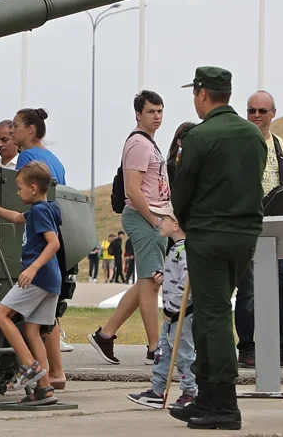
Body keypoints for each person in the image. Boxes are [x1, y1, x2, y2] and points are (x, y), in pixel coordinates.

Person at [166, 67, 265, 430]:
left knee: (214, 316)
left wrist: (187, 223)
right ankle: (206, 397)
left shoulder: (199, 135)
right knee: (211, 313)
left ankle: (224, 403)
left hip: (209, 233)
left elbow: (183, 190)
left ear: (202, 93)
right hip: (244, 234)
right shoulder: (253, 134)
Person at [88, 92, 168, 366]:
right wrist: (155, 221)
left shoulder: (148, 143)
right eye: (151, 111)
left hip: (152, 217)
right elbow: (133, 190)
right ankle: (155, 348)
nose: (157, 116)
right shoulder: (139, 144)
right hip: (144, 217)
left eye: (159, 111)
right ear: (138, 114)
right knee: (151, 284)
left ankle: (105, 335)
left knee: (146, 282)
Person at [0, 162, 63, 406]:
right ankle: (45, 389)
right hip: (52, 280)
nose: (17, 192)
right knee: (32, 330)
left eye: (19, 188)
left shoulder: (39, 212)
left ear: (33, 188)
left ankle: (29, 365)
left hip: (38, 278)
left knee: (0, 315)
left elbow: (53, 243)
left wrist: (32, 268)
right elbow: (18, 217)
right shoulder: (46, 208)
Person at [8, 107, 68, 381]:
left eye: (16, 126)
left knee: (9, 315)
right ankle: (53, 374)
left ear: (30, 129)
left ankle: (38, 371)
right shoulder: (55, 160)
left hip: (39, 244)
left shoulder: (27, 157)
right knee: (42, 321)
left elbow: (21, 202)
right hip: (55, 237)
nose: (12, 131)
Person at [235, 90, 283, 368]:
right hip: (247, 222)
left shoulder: (280, 144)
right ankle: (247, 346)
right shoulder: (238, 141)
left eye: (262, 111)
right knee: (248, 289)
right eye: (251, 110)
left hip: (277, 223)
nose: (256, 116)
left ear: (273, 113)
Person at [127, 207, 197, 410]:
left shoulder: (185, 250)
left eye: (163, 219)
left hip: (181, 314)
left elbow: (187, 283)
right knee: (163, 352)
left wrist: (172, 308)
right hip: (172, 313)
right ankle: (157, 390)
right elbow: (177, 279)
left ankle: (190, 392)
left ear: (176, 225)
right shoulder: (175, 249)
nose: (158, 222)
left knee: (184, 354)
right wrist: (164, 279)